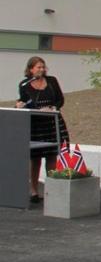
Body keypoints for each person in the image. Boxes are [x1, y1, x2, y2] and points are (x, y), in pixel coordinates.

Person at [16, 56, 70, 203]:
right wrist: (19, 105)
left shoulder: (52, 81)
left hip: (52, 122)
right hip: (36, 124)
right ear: (31, 69)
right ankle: (34, 190)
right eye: (38, 67)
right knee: (35, 158)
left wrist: (53, 107)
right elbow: (23, 101)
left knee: (52, 156)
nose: (41, 69)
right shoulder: (25, 84)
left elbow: (60, 99)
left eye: (43, 67)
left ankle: (51, 190)